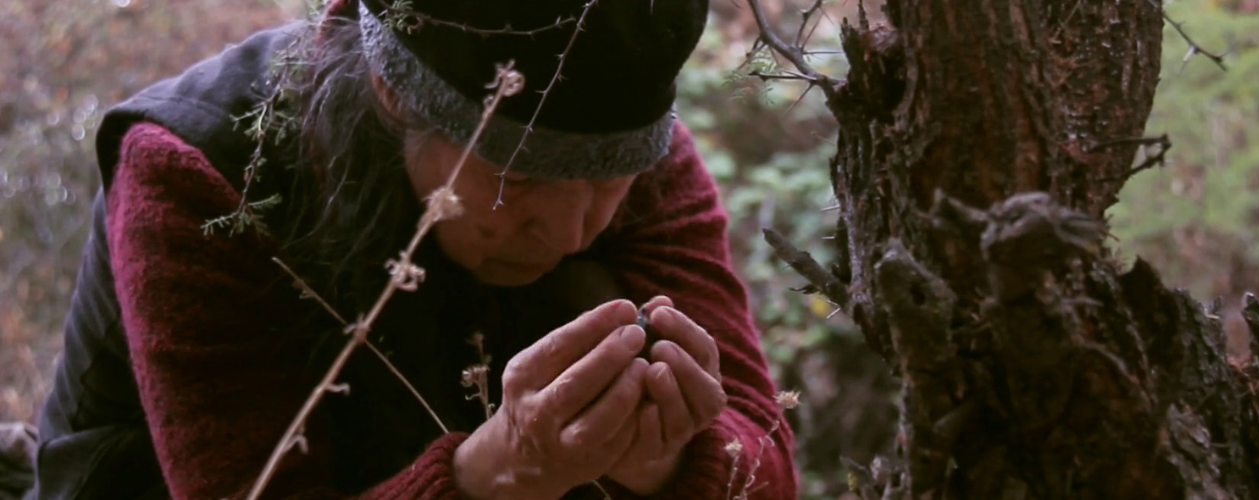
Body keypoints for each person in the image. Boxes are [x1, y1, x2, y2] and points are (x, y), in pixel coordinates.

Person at [25, 0, 798, 498]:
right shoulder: (203, 172)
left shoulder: (639, 152)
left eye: (610, 182)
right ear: (393, 94)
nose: (570, 232)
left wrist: (664, 462)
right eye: (517, 178)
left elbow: (763, 450)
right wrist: (493, 474)